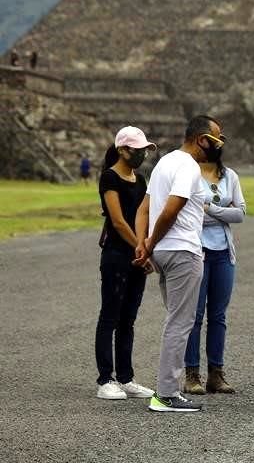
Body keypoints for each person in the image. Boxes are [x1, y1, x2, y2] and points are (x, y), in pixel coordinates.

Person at [133, 115, 224, 412]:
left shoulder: (165, 162)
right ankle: (166, 393)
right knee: (180, 323)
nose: (219, 146)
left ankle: (166, 390)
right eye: (217, 140)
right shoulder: (187, 165)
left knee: (175, 320)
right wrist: (151, 243)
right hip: (182, 251)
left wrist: (143, 242)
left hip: (164, 253)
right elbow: (172, 209)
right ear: (202, 139)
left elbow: (144, 208)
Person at [94, 126, 157, 401]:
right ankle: (105, 379)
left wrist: (144, 249)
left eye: (145, 149)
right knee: (110, 316)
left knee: (128, 319)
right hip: (118, 255)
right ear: (123, 149)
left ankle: (126, 378)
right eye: (138, 149)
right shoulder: (109, 178)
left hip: (136, 254)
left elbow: (144, 215)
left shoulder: (140, 179)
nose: (142, 154)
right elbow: (118, 221)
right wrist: (141, 248)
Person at [182, 138, 246, 395]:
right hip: (197, 251)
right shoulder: (189, 174)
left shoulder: (230, 176)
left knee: (218, 316)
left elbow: (240, 213)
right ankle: (192, 374)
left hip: (223, 253)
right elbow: (189, 212)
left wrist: (209, 208)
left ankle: (216, 374)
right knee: (194, 316)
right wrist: (222, 211)